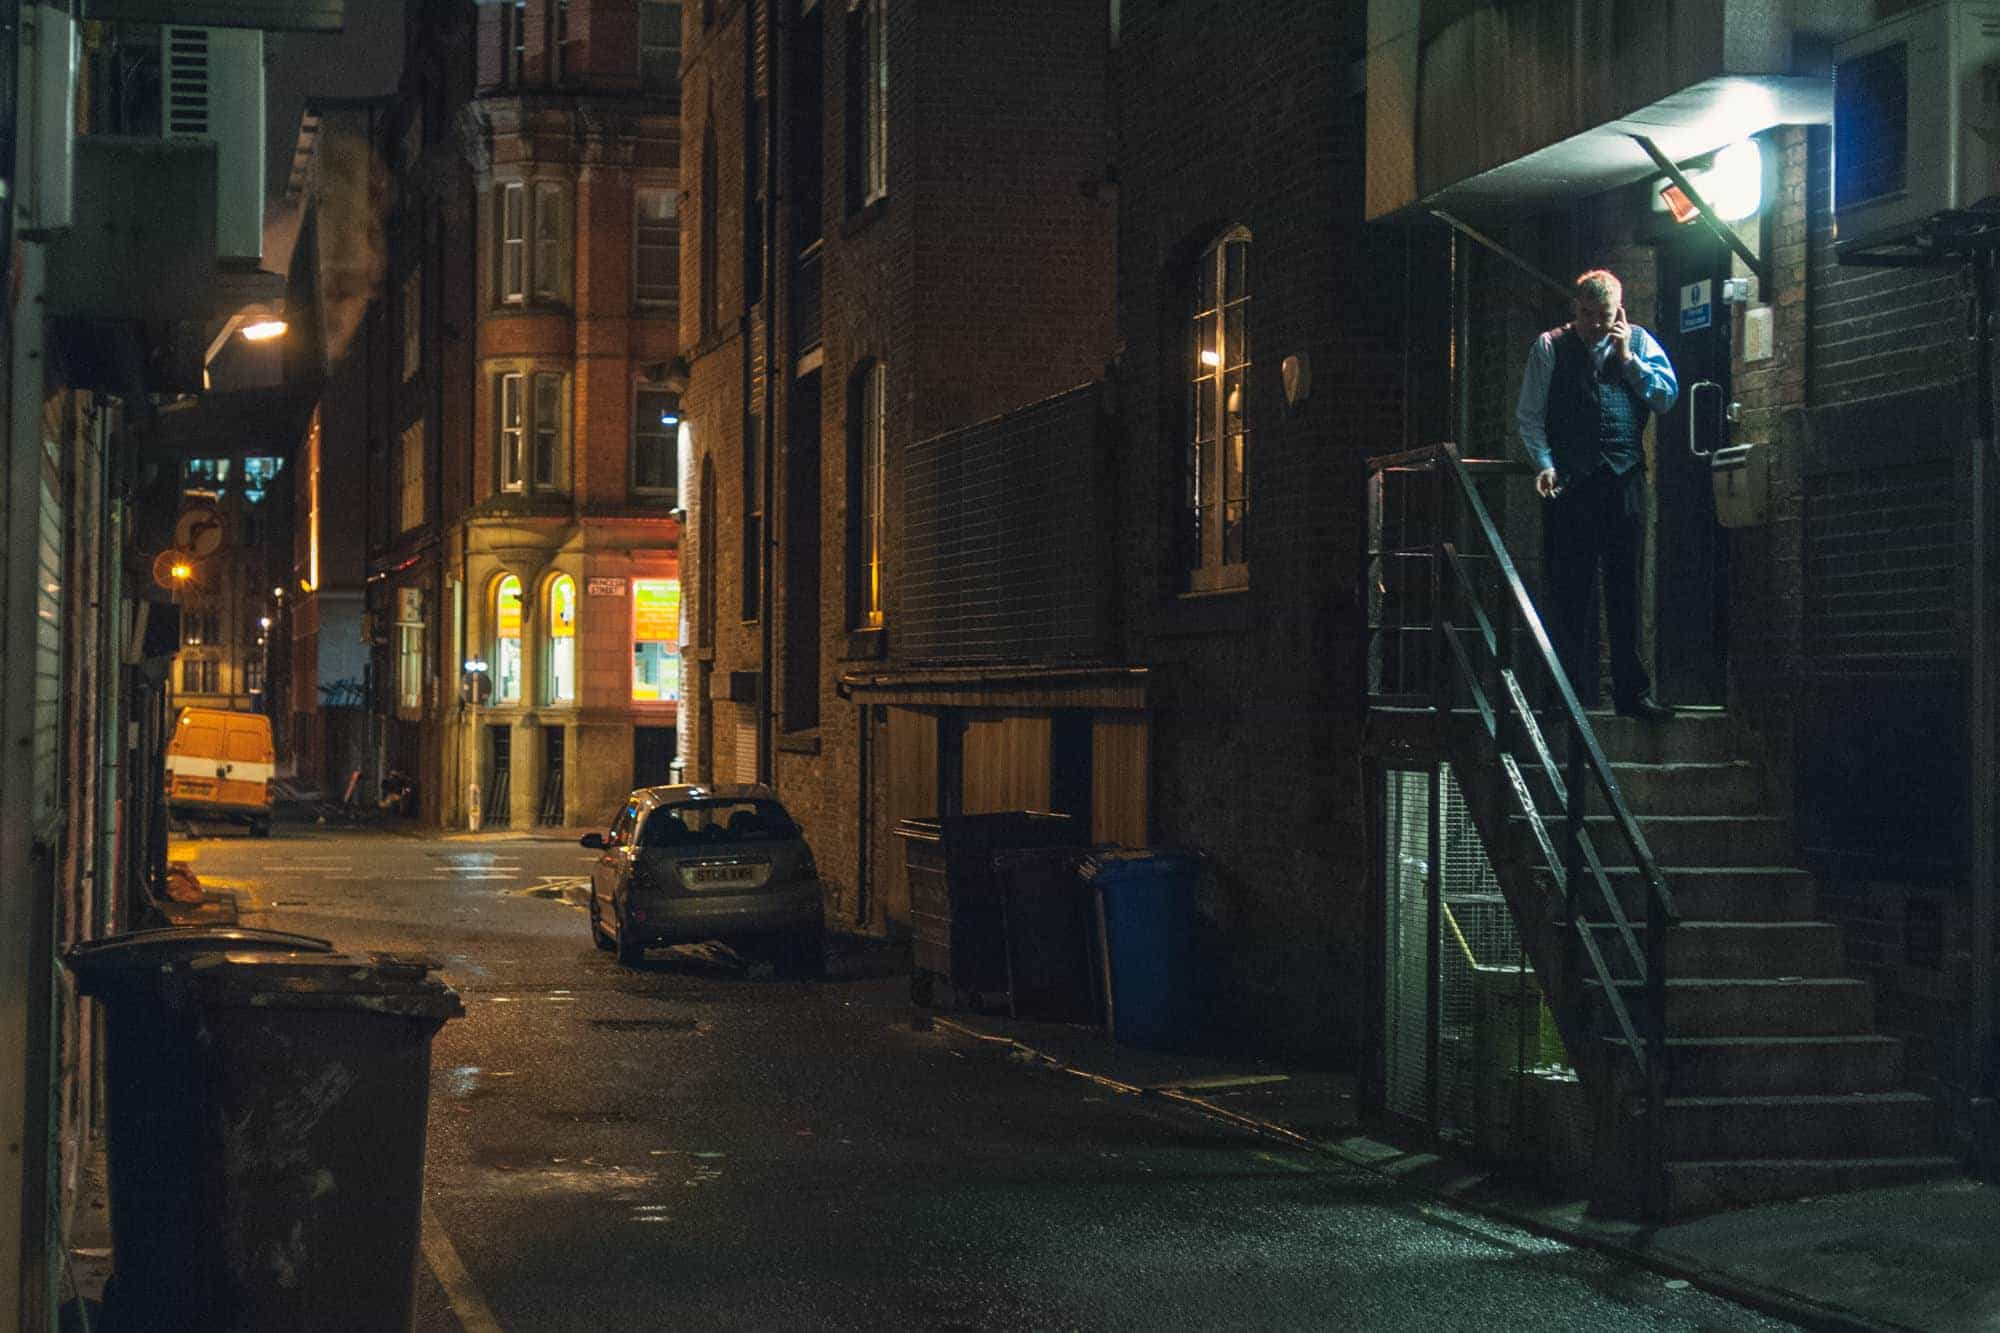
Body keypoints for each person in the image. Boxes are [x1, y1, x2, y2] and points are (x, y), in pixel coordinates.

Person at [1515, 269, 1679, 721]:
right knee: (1569, 589)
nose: (1594, 325)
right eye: (1587, 315)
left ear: (1618, 312)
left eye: (1603, 317)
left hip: (1624, 480)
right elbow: (1530, 415)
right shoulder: (1550, 347)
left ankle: (1632, 693)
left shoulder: (1639, 343)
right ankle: (1564, 695)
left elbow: (1666, 397)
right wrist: (1544, 463)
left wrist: (1628, 360)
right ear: (1575, 308)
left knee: (1626, 587)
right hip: (1573, 482)